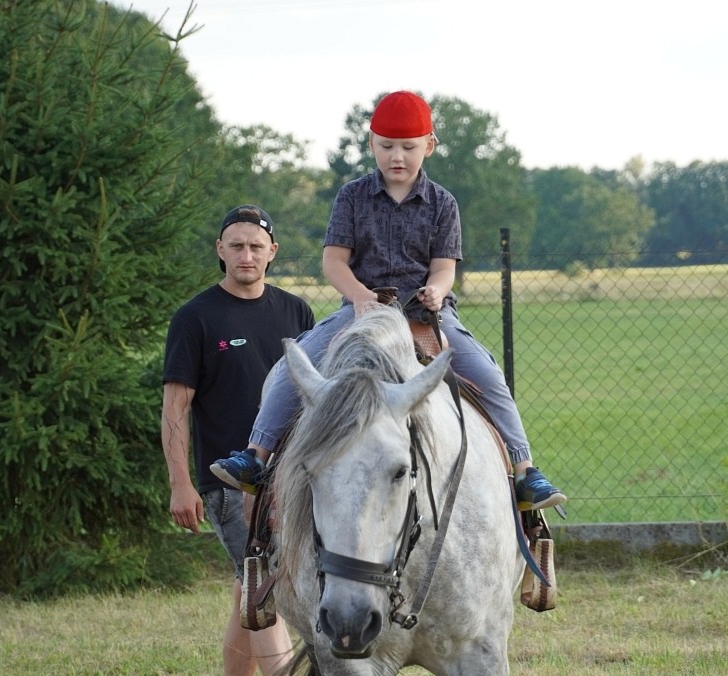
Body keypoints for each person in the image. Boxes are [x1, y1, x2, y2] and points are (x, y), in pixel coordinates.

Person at [212, 90, 566, 512]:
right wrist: (360, 298)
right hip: (363, 308)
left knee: (487, 375)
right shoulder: (352, 197)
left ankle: (525, 470)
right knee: (296, 365)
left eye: (408, 147)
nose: (397, 156)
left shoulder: (443, 203)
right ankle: (255, 456)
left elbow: (444, 266)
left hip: (425, 314)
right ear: (371, 144)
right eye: (387, 146)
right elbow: (334, 262)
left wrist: (436, 289)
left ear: (428, 146)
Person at [161, 205, 316, 676]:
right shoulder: (197, 318)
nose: (246, 255)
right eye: (236, 245)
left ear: (272, 252)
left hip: (292, 480)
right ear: (220, 250)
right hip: (231, 484)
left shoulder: (297, 313)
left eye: (256, 246)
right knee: (263, 588)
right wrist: (182, 482)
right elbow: (176, 407)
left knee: (247, 593)